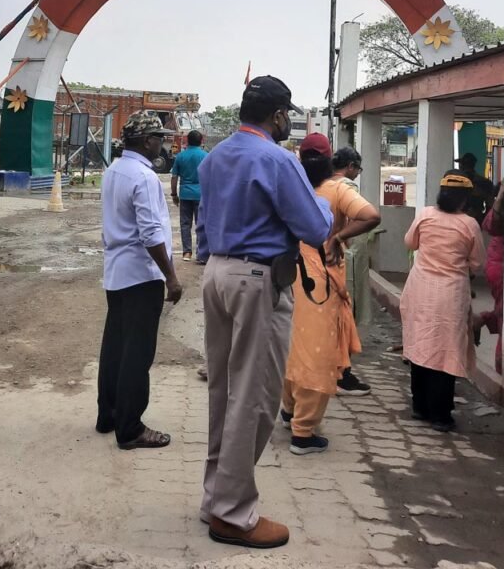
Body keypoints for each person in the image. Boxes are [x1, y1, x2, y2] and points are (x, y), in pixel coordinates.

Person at [197, 76, 332, 549]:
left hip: (216, 272)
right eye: (286, 117)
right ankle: (233, 514)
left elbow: (202, 220)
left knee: (224, 388)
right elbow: (314, 228)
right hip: (256, 279)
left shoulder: (215, 156)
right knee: (254, 395)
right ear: (278, 116)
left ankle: (216, 498)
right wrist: (323, 199)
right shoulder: (278, 159)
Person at [282, 133, 381, 455]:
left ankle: (289, 411)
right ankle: (303, 432)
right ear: (329, 161)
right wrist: (338, 237)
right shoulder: (338, 189)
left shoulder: (289, 186)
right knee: (316, 352)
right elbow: (371, 216)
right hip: (319, 284)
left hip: (285, 275)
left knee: (289, 347)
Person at [96, 111, 183, 451]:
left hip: (117, 272)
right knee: (137, 353)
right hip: (141, 275)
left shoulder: (114, 170)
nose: (162, 142)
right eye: (159, 137)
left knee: (115, 347)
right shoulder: (144, 178)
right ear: (147, 141)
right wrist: (171, 277)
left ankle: (109, 414)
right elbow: (150, 233)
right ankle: (130, 428)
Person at [400, 173, 486, 432]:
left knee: (420, 344)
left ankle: (419, 407)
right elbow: (477, 262)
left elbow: (410, 242)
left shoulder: (425, 214)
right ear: (464, 199)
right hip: (450, 293)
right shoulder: (469, 224)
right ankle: (440, 415)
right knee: (447, 350)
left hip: (420, 289)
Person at [332, 146, 375, 331]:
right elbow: (363, 217)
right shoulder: (347, 186)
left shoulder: (326, 183)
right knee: (350, 292)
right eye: (358, 169)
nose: (358, 173)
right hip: (346, 249)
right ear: (350, 166)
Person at [474, 180, 504, 373]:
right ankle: (502, 363)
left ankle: (480, 320)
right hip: (502, 266)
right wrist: (502, 194)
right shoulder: (501, 209)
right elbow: (491, 225)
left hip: (498, 264)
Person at [170, 129, 207, 261]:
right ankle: (201, 254)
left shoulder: (181, 156)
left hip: (185, 194)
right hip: (201, 195)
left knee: (185, 224)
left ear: (187, 141)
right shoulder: (205, 156)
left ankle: (187, 252)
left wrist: (174, 194)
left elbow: (174, 177)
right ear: (201, 141)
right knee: (201, 224)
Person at [454, 152, 495, 224]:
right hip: (477, 220)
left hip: (458, 220)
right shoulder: (485, 182)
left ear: (462, 166)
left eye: (460, 164)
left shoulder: (456, 182)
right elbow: (490, 205)